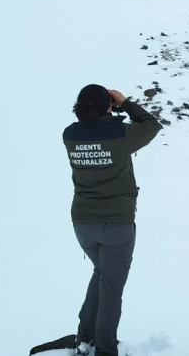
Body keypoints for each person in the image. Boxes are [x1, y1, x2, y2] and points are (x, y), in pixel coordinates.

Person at [63, 84, 163, 356]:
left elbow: (95, 127)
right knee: (111, 291)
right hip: (117, 225)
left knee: (102, 274)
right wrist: (125, 103)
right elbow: (152, 125)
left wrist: (108, 108)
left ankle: (85, 336)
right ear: (107, 106)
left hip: (83, 225)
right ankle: (105, 350)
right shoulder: (120, 133)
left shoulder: (70, 135)